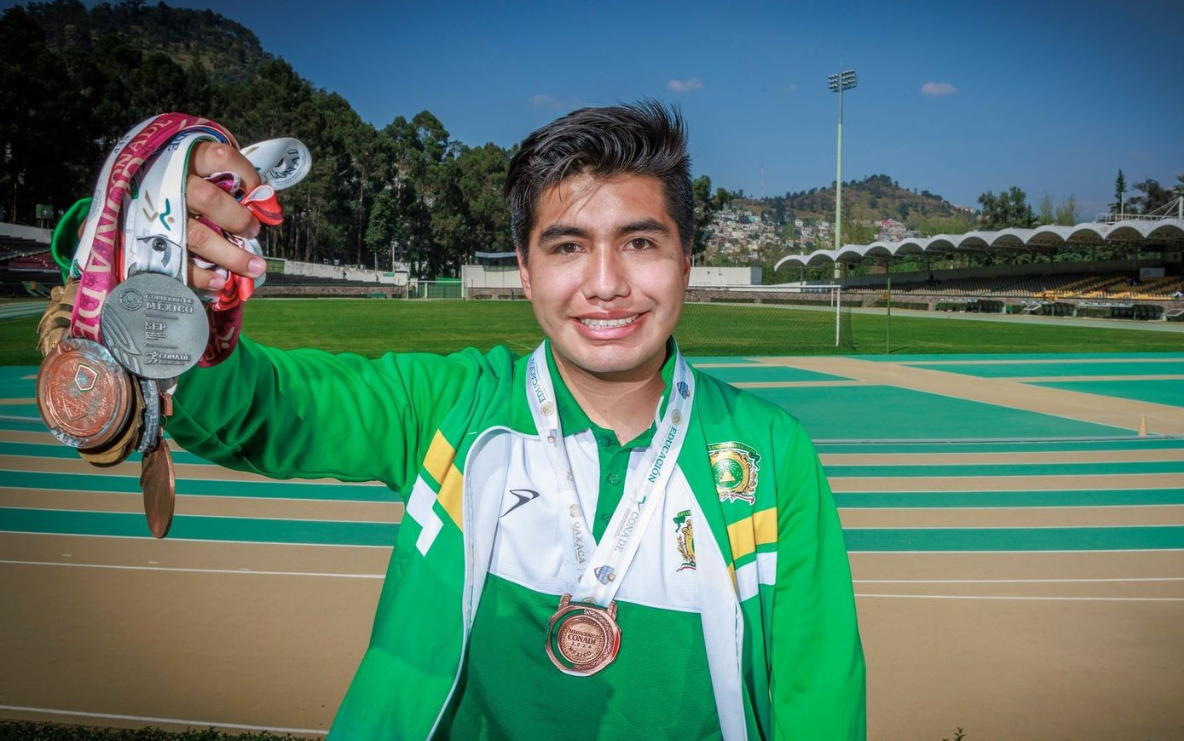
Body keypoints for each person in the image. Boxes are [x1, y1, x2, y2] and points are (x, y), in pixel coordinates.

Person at [97, 102, 866, 739]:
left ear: (687, 259)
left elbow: (818, 701)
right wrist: (164, 298)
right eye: (568, 246)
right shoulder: (449, 407)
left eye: (639, 242)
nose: (605, 284)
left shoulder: (770, 454)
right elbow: (261, 407)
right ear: (525, 270)